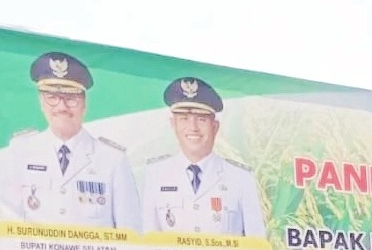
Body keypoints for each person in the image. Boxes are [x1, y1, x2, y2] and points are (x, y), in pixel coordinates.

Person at [0, 52, 141, 228]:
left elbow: (131, 231)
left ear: (84, 103)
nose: (62, 106)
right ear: (41, 102)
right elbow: (8, 225)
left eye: (71, 98)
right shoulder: (20, 151)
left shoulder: (112, 159)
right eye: (52, 97)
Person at [141, 77, 267, 238]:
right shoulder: (156, 174)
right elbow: (149, 242)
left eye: (201, 119)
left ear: (215, 127)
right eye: (184, 119)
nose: (192, 128)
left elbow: (257, 246)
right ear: (173, 125)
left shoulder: (241, 178)